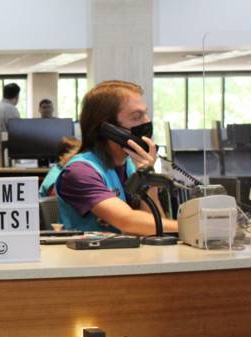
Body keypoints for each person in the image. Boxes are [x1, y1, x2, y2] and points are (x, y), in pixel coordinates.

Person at [55, 80, 178, 235]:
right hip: (90, 258)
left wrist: (148, 179)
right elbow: (127, 222)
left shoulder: (131, 165)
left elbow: (155, 226)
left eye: (146, 113)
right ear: (108, 129)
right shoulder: (80, 172)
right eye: (136, 117)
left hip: (131, 256)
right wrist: (197, 228)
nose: (147, 121)